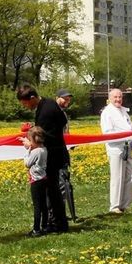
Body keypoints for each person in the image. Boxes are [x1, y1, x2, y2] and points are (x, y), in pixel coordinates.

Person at [16, 84, 69, 233]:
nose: (25, 106)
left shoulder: (45, 110)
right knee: (53, 191)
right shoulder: (49, 103)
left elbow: (43, 136)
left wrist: (30, 143)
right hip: (56, 153)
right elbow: (62, 123)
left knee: (53, 192)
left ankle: (57, 224)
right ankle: (55, 223)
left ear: (32, 98)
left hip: (51, 156)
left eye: (25, 103)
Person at [100, 88, 132, 213]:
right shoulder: (107, 112)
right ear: (110, 98)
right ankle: (114, 206)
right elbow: (107, 132)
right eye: (115, 97)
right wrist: (124, 135)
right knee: (117, 177)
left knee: (129, 176)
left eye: (120, 97)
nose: (118, 99)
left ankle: (124, 204)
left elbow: (131, 127)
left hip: (128, 147)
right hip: (116, 148)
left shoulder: (124, 111)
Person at [54, 89, 78, 221]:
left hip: (65, 151)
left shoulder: (64, 114)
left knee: (65, 182)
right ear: (57, 98)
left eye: (69, 99)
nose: (67, 101)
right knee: (61, 183)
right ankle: (59, 214)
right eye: (65, 99)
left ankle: (62, 212)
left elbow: (66, 133)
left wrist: (72, 142)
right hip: (57, 152)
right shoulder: (54, 112)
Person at [22, 126, 49, 236]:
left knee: (37, 206)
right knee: (43, 205)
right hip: (43, 179)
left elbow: (27, 164)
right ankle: (44, 226)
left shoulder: (35, 151)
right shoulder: (44, 149)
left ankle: (36, 229)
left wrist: (27, 150)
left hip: (36, 181)